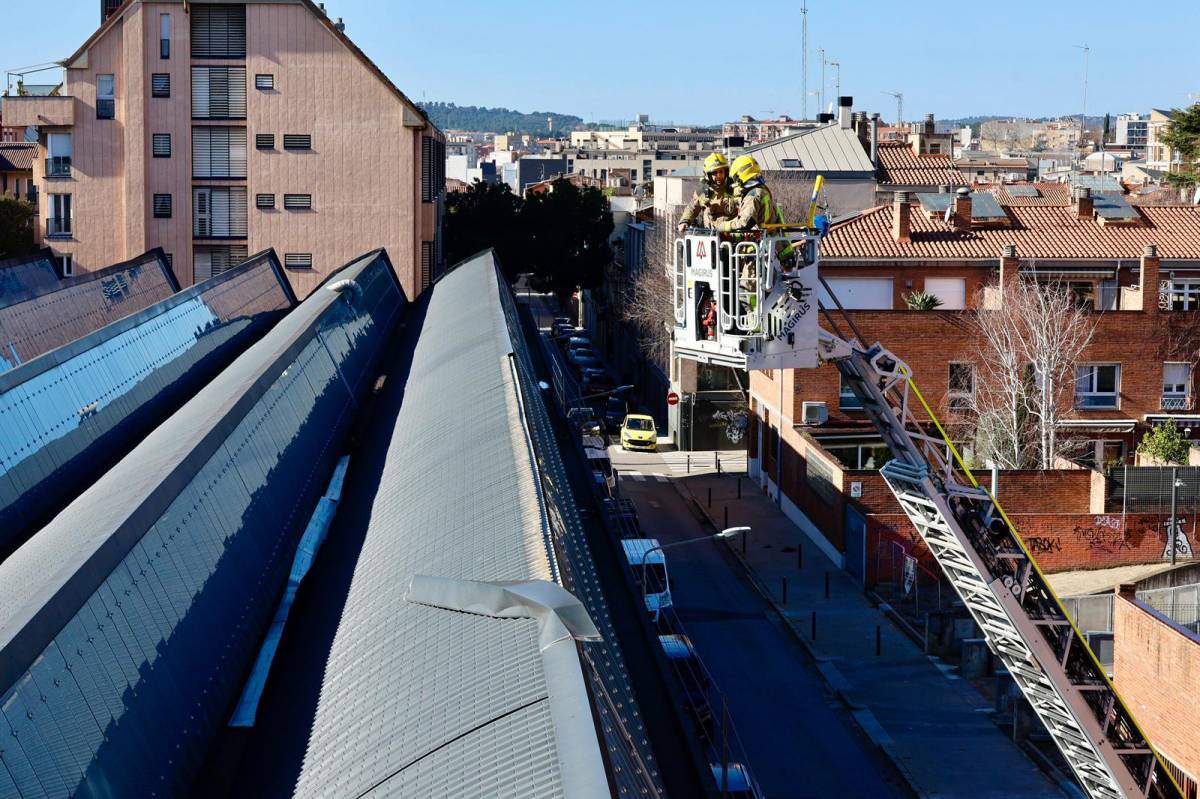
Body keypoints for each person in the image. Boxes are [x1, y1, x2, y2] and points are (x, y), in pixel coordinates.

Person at [677, 152, 737, 232]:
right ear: (708, 175)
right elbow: (692, 208)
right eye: (715, 173)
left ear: (726, 172)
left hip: (732, 235)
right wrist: (684, 221)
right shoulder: (703, 191)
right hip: (710, 236)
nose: (719, 176)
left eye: (721, 172)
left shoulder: (735, 188)